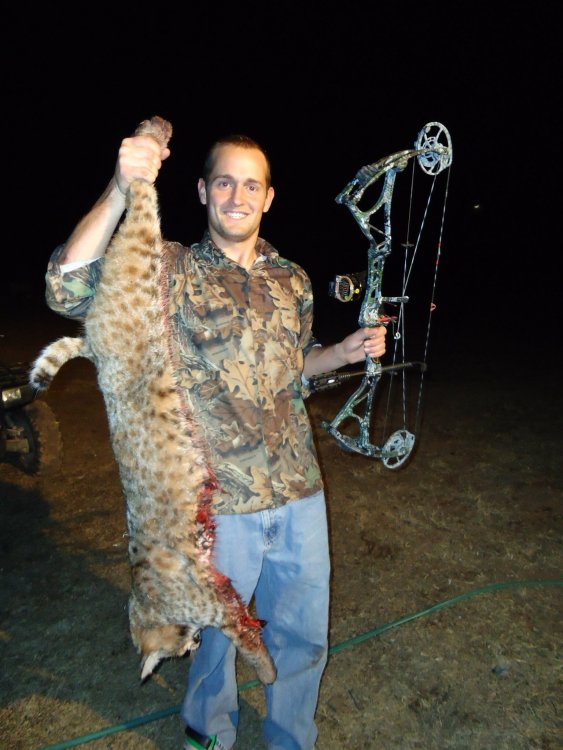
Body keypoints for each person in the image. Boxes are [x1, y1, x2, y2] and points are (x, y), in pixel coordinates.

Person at [44, 125, 387, 750]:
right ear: (203, 191)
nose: (237, 196)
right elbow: (68, 288)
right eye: (224, 182)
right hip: (215, 505)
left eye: (251, 185)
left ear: (269, 197)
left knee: (303, 636)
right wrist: (121, 187)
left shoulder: (292, 279)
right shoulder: (170, 269)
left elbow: (295, 367)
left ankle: (291, 738)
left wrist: (340, 352)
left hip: (300, 492)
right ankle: (210, 734)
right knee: (213, 646)